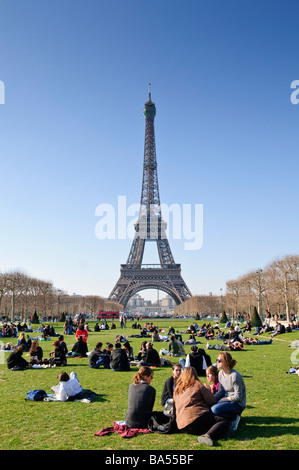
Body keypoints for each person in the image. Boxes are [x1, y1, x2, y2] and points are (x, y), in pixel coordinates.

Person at [173, 367, 230, 446]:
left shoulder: (177, 389)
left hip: (182, 425)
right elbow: (211, 401)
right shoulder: (197, 384)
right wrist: (209, 392)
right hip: (195, 418)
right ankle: (208, 435)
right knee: (223, 421)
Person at [211, 352, 246, 434]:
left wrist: (223, 400)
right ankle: (230, 419)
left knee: (214, 409)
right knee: (210, 406)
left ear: (226, 362)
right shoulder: (220, 374)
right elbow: (222, 390)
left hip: (237, 404)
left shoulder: (235, 376)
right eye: (217, 360)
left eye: (219, 360)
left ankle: (235, 417)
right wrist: (212, 399)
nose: (217, 362)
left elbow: (238, 397)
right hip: (227, 400)